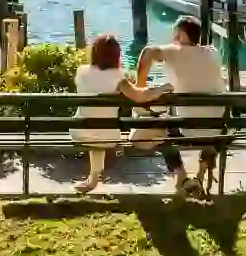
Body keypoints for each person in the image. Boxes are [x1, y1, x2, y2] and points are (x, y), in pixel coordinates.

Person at [133, 16, 227, 196]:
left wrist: (140, 87)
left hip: (188, 131)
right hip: (216, 130)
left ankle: (182, 177)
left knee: (163, 130)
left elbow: (147, 52)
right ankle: (199, 176)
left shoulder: (175, 52)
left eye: (174, 35)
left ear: (182, 35)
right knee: (213, 125)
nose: (172, 39)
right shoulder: (213, 52)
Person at [70, 34, 171, 194]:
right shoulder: (118, 77)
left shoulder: (81, 72)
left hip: (79, 131)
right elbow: (140, 96)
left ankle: (92, 180)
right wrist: (162, 88)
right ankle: (92, 179)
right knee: (101, 131)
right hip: (108, 135)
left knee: (95, 124)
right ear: (116, 55)